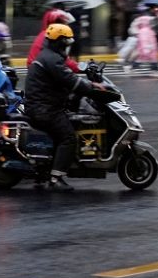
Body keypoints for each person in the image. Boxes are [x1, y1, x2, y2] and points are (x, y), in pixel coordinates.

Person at [24, 23, 105, 192]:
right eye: (67, 43)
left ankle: (44, 170)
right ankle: (56, 178)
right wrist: (92, 88)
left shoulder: (48, 56)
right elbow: (70, 80)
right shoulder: (52, 60)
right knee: (68, 137)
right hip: (44, 109)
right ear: (60, 42)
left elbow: (66, 78)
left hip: (43, 105)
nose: (68, 47)